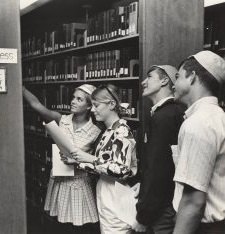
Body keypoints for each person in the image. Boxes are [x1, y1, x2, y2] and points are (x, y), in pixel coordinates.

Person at [22, 84, 102, 233]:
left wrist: (78, 162)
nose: (73, 101)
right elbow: (36, 105)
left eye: (79, 99)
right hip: (59, 181)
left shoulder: (96, 131)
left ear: (89, 106)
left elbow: (98, 161)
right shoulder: (62, 120)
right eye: (73, 97)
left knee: (80, 227)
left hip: (80, 184)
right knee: (59, 226)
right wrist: (21, 87)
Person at [71, 84, 138, 234]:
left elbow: (121, 169)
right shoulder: (109, 130)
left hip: (116, 195)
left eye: (96, 105)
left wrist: (88, 158)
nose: (92, 110)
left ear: (112, 104)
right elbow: (104, 164)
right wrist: (78, 161)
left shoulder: (121, 131)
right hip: (107, 192)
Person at [172, 50, 225, 234]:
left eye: (178, 76)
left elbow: (193, 200)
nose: (173, 84)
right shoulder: (217, 116)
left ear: (192, 77)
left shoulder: (199, 123)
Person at [132, 65, 186, 234]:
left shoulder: (165, 116)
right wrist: (143, 184)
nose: (143, 82)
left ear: (164, 81)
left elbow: (159, 169)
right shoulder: (165, 113)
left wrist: (143, 216)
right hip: (162, 203)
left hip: (162, 209)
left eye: (149, 77)